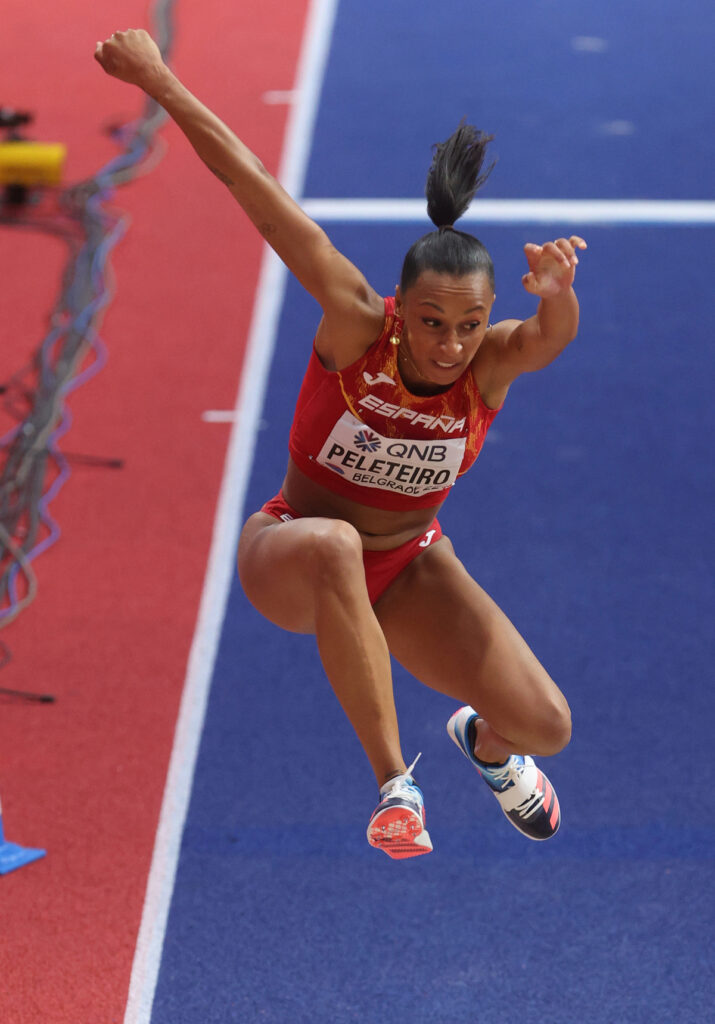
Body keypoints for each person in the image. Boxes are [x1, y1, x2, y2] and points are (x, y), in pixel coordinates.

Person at [95, 29, 586, 860]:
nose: (448, 345)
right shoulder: (358, 325)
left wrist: (557, 296)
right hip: (291, 549)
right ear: (402, 306)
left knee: (547, 723)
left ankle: (487, 749)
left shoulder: (489, 363)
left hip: (406, 564)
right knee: (332, 540)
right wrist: (161, 81)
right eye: (431, 323)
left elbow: (548, 339)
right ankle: (396, 786)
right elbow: (258, 196)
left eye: (468, 325)